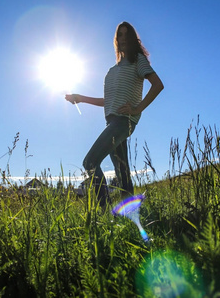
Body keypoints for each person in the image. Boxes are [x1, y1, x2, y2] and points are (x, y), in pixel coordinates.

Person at [65, 21, 164, 208]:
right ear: (116, 40)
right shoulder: (113, 70)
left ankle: (104, 211)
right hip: (111, 122)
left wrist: (137, 109)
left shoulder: (138, 61)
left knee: (90, 162)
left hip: (123, 122)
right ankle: (130, 214)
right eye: (120, 35)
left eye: (127, 35)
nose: (123, 38)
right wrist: (81, 98)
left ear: (133, 38)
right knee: (122, 171)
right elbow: (108, 100)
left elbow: (158, 85)